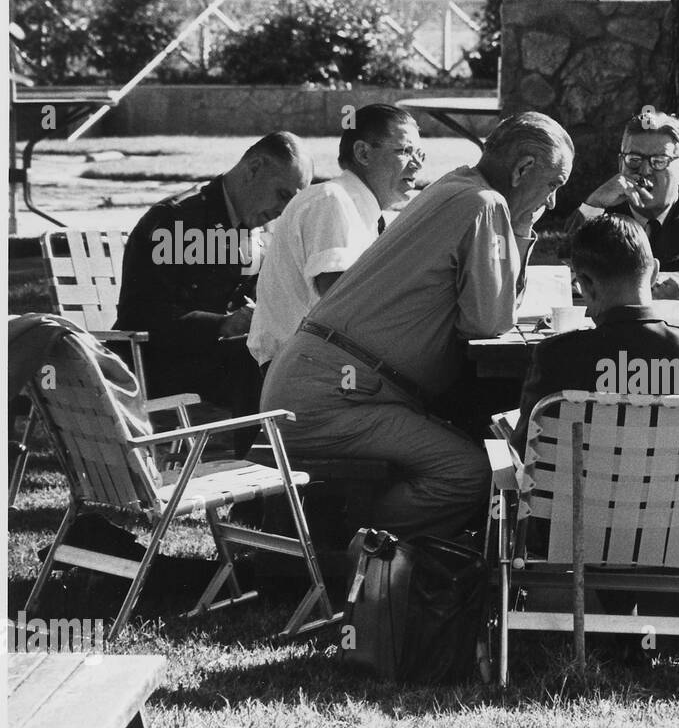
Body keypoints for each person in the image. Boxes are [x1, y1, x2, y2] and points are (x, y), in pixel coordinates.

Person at [261, 111, 573, 542]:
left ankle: (356, 548)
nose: (552, 202)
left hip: (329, 386)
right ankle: (349, 549)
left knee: (468, 445)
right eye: (553, 185)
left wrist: (518, 229)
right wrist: (520, 226)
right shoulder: (483, 203)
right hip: (337, 397)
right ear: (522, 170)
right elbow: (488, 321)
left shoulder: (457, 187)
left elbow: (486, 309)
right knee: (468, 473)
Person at [115, 132, 311, 444]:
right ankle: (260, 469)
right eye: (282, 195)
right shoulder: (176, 222)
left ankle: (303, 463)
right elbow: (141, 317)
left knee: (301, 352)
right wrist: (222, 324)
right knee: (255, 359)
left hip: (220, 362)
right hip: (157, 363)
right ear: (253, 169)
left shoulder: (262, 230)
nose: (285, 210)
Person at [514, 213, 679, 451]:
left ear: (585, 283)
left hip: (581, 488)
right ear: (653, 272)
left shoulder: (557, 356)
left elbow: (525, 450)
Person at [247, 105, 423, 369]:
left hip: (324, 367)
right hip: (304, 374)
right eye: (404, 151)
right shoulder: (331, 200)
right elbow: (341, 302)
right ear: (363, 153)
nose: (417, 163)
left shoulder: (360, 210)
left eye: (420, 153)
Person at [566, 109, 679, 299]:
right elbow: (568, 268)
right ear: (621, 164)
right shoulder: (605, 210)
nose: (644, 171)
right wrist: (594, 204)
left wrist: (677, 284)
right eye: (634, 160)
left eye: (659, 161)